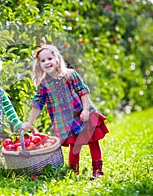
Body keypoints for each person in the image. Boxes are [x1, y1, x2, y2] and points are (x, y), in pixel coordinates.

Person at [23, 44, 109, 179]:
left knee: (93, 142)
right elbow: (37, 103)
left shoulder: (70, 74)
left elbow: (83, 91)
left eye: (49, 58)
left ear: (57, 59)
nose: (47, 62)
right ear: (39, 65)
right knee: (75, 146)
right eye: (43, 61)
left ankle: (97, 171)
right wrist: (29, 122)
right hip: (66, 121)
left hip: (83, 114)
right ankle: (73, 173)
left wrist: (86, 109)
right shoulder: (44, 84)